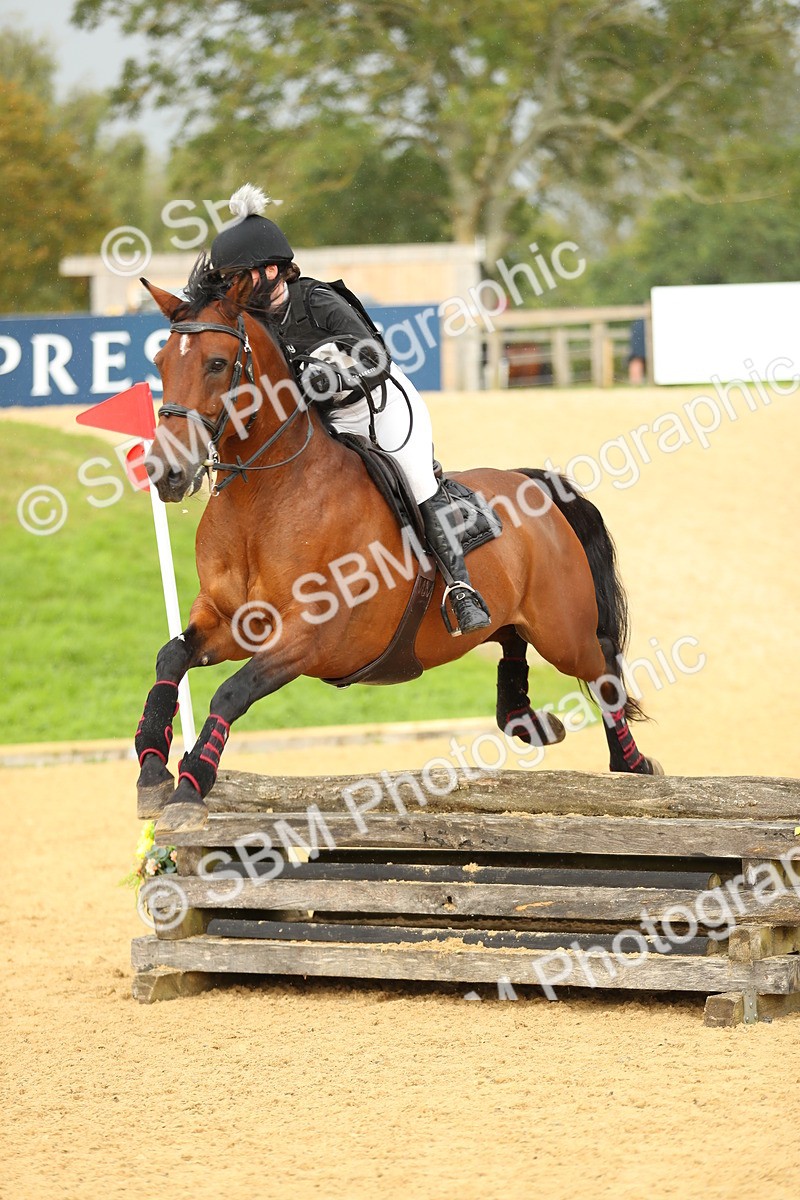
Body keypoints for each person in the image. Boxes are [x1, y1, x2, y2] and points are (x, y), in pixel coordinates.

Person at [206, 183, 491, 636]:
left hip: (379, 405)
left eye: (240, 277)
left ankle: (461, 587)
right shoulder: (250, 322)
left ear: (274, 271)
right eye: (228, 280)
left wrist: (337, 379)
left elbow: (375, 357)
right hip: (324, 418)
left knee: (414, 478)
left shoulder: (317, 300)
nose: (233, 288)